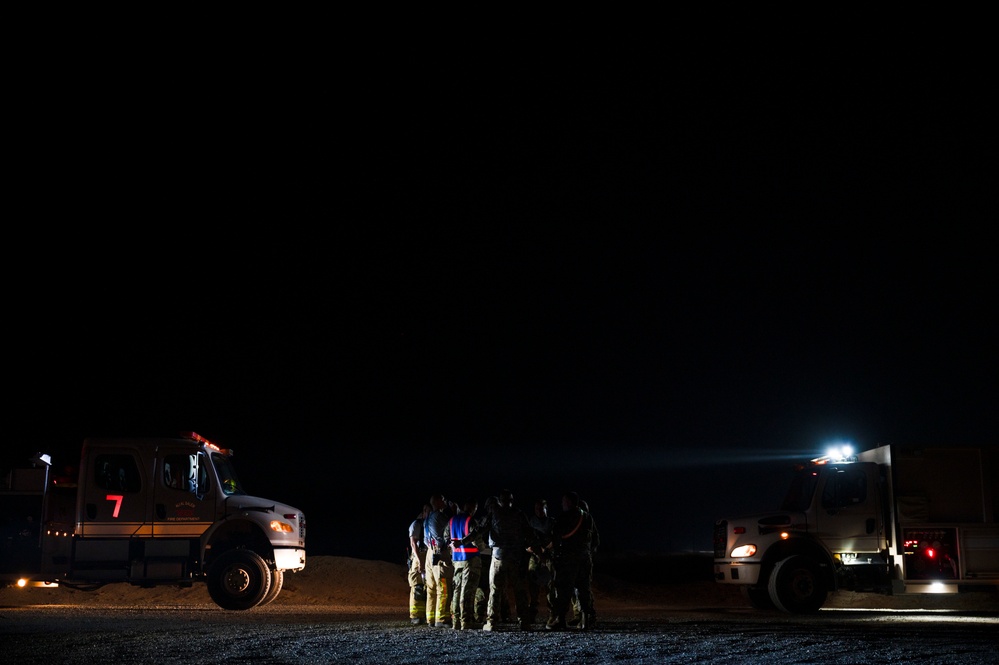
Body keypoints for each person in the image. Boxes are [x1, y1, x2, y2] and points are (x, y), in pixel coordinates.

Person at [482, 489, 541, 631]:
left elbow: (480, 529)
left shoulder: (493, 514)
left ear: (500, 500)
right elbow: (530, 533)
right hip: (515, 558)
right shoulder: (519, 514)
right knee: (519, 591)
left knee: (495, 590)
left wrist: (464, 541)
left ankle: (492, 622)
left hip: (498, 557)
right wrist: (540, 549)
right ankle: (524, 622)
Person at [545, 491, 598, 631]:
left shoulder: (563, 518)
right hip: (585, 559)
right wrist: (587, 553)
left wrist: (555, 556)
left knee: (564, 590)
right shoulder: (587, 517)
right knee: (584, 589)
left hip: (568, 560)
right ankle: (585, 621)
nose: (562, 504)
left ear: (568, 502)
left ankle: (560, 620)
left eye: (563, 502)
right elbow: (596, 539)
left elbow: (556, 540)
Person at [445, 499, 482, 630]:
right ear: (473, 508)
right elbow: (477, 539)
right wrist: (482, 548)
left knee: (456, 590)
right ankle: (466, 621)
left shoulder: (451, 520)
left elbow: (446, 538)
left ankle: (456, 621)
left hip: (457, 559)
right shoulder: (470, 521)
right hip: (470, 559)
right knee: (467, 591)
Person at [423, 493, 455, 627]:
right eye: (443, 499)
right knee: (444, 587)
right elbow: (451, 529)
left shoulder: (427, 518)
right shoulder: (439, 516)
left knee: (431, 588)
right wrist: (453, 512)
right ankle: (441, 619)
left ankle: (430, 618)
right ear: (438, 502)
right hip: (440, 552)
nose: (445, 501)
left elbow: (425, 539)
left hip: (430, 552)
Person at [527, 498, 555, 625]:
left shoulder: (552, 522)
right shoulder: (530, 522)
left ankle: (553, 614)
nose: (539, 511)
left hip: (549, 557)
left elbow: (556, 539)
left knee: (551, 587)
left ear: (546, 509)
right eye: (536, 508)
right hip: (534, 557)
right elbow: (525, 538)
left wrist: (545, 549)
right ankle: (531, 614)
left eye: (541, 508)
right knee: (533, 587)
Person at [407, 503, 432, 625]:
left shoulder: (429, 525)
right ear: (424, 512)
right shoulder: (417, 524)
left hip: (428, 556)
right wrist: (420, 561)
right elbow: (413, 544)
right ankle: (416, 616)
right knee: (418, 586)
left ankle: (425, 615)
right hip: (419, 557)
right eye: (428, 511)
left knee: (428, 587)